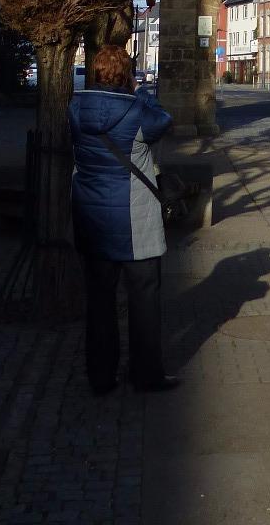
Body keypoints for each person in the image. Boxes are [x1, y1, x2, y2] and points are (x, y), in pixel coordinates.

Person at [67, 44, 179, 395]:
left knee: (99, 301)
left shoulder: (75, 107)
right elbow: (163, 122)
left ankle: (101, 376)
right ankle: (146, 374)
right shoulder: (136, 110)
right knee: (144, 299)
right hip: (135, 218)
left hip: (92, 215)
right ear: (126, 74)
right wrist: (142, 91)